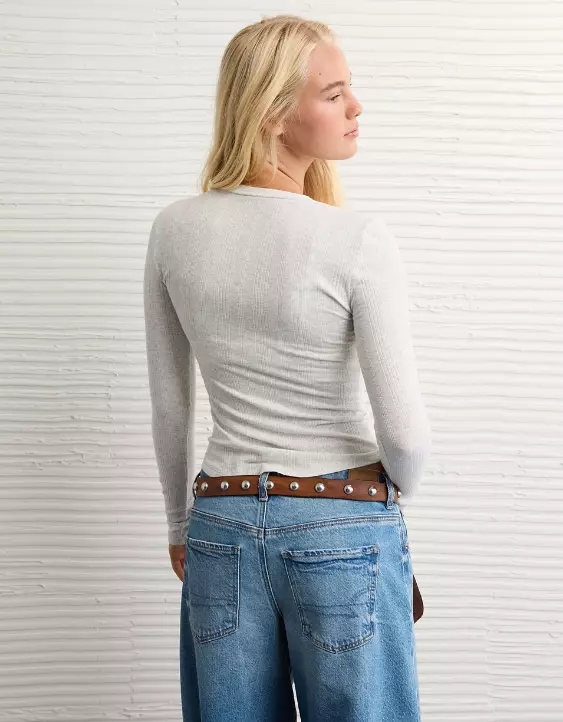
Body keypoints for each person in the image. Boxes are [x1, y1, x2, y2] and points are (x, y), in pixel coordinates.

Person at [143, 13, 431, 722]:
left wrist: (180, 525)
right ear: (272, 113)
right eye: (333, 93)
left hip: (220, 523)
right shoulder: (356, 238)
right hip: (341, 519)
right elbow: (405, 436)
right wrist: (394, 494)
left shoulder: (174, 229)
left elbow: (171, 404)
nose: (356, 105)